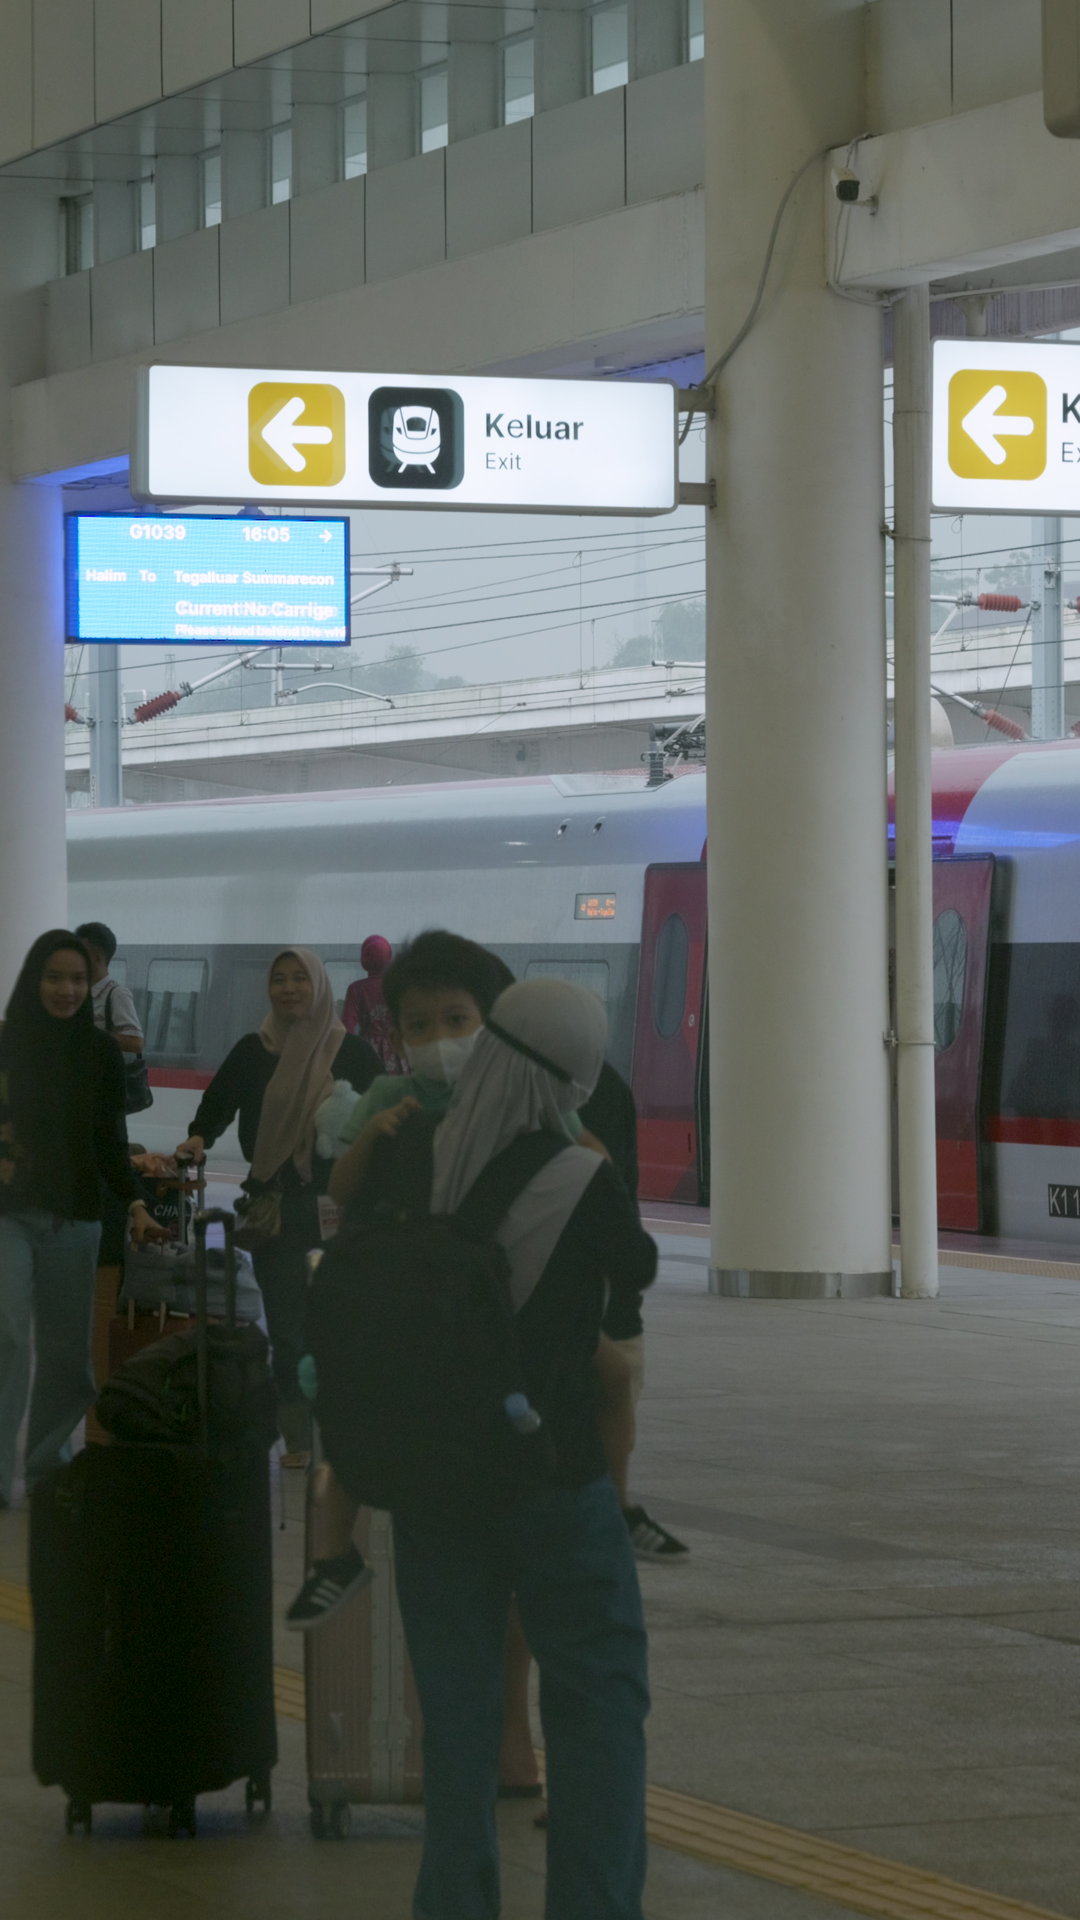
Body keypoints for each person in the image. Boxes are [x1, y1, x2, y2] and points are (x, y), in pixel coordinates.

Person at [298, 978, 655, 1920]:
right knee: (597, 1698)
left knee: (453, 1718)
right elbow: (636, 1272)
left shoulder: (412, 1147)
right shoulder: (579, 1171)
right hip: (553, 1475)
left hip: (434, 1478)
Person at [175, 947, 380, 1463]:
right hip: (275, 1210)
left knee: (336, 1329)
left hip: (340, 1210)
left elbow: (382, 1124)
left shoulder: (353, 1054)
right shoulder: (254, 1050)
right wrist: (198, 1137)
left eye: (299, 979)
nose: (289, 989)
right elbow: (217, 1104)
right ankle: (298, 1436)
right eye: (279, 979)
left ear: (320, 986)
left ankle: (341, 1425)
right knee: (287, 1334)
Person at [0, 930, 167, 1506]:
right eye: (54, 977)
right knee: (6, 1335)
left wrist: (137, 1203)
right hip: (8, 1212)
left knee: (68, 1353)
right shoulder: (6, 1043)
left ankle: (47, 1467)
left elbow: (109, 1140)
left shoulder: (99, 1052)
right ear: (34, 979)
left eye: (78, 979)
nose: (66, 990)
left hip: (75, 1219)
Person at [73, 921, 145, 1059]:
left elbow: (136, 1043)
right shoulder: (79, 993)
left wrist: (89, 1035)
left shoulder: (117, 994)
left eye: (80, 953)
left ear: (97, 959)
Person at [341, 934, 407, 1074]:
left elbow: (347, 1027)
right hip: (398, 1048)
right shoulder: (399, 986)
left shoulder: (356, 989)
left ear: (364, 958)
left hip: (367, 1052)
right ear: (389, 957)